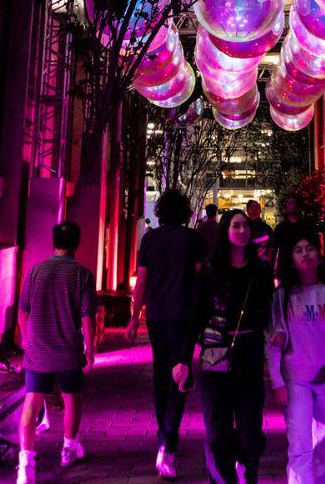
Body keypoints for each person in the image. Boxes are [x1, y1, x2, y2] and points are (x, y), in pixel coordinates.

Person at [175, 210, 274, 484]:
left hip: (249, 353)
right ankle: (222, 479)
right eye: (236, 225)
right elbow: (197, 313)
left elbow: (268, 309)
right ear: (226, 231)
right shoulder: (210, 267)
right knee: (217, 429)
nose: (242, 230)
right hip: (215, 352)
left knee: (250, 428)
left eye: (245, 226)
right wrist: (183, 358)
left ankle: (246, 466)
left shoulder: (261, 269)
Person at [126, 189, 207, 479]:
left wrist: (134, 319)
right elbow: (201, 279)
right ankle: (168, 442)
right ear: (185, 211)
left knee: (162, 372)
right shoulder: (193, 239)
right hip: (185, 315)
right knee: (180, 374)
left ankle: (165, 435)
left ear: (160, 212)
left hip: (156, 316)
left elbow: (142, 282)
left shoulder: (150, 240)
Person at [266, 228, 325, 484]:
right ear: (290, 259)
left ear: (319, 255)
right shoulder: (281, 297)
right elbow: (273, 343)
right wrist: (277, 381)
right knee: (300, 444)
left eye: (310, 248)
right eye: (298, 249)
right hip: (295, 381)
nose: (305, 253)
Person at [17, 221, 97, 484]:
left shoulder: (36, 271)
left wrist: (28, 342)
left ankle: (26, 465)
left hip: (38, 350)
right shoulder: (82, 275)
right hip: (68, 350)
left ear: (54, 243)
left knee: (32, 402)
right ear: (77, 244)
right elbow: (87, 318)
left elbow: (22, 311)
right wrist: (91, 349)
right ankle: (68, 449)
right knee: (71, 398)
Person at [246, 199, 274, 264]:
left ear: (260, 210)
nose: (254, 209)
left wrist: (269, 262)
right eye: (252, 207)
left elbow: (271, 247)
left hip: (262, 263)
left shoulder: (266, 228)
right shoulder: (244, 226)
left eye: (256, 207)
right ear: (247, 211)